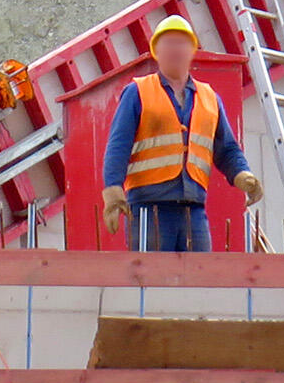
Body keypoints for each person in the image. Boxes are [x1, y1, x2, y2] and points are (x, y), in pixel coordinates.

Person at [99, 14, 264, 251]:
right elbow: (118, 146)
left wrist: (242, 174)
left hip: (193, 210)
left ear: (192, 49)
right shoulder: (138, 92)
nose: (175, 50)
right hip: (148, 209)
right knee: (152, 281)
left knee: (197, 281)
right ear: (156, 51)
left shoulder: (209, 98)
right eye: (169, 43)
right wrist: (113, 192)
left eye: (181, 43)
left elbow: (225, 148)